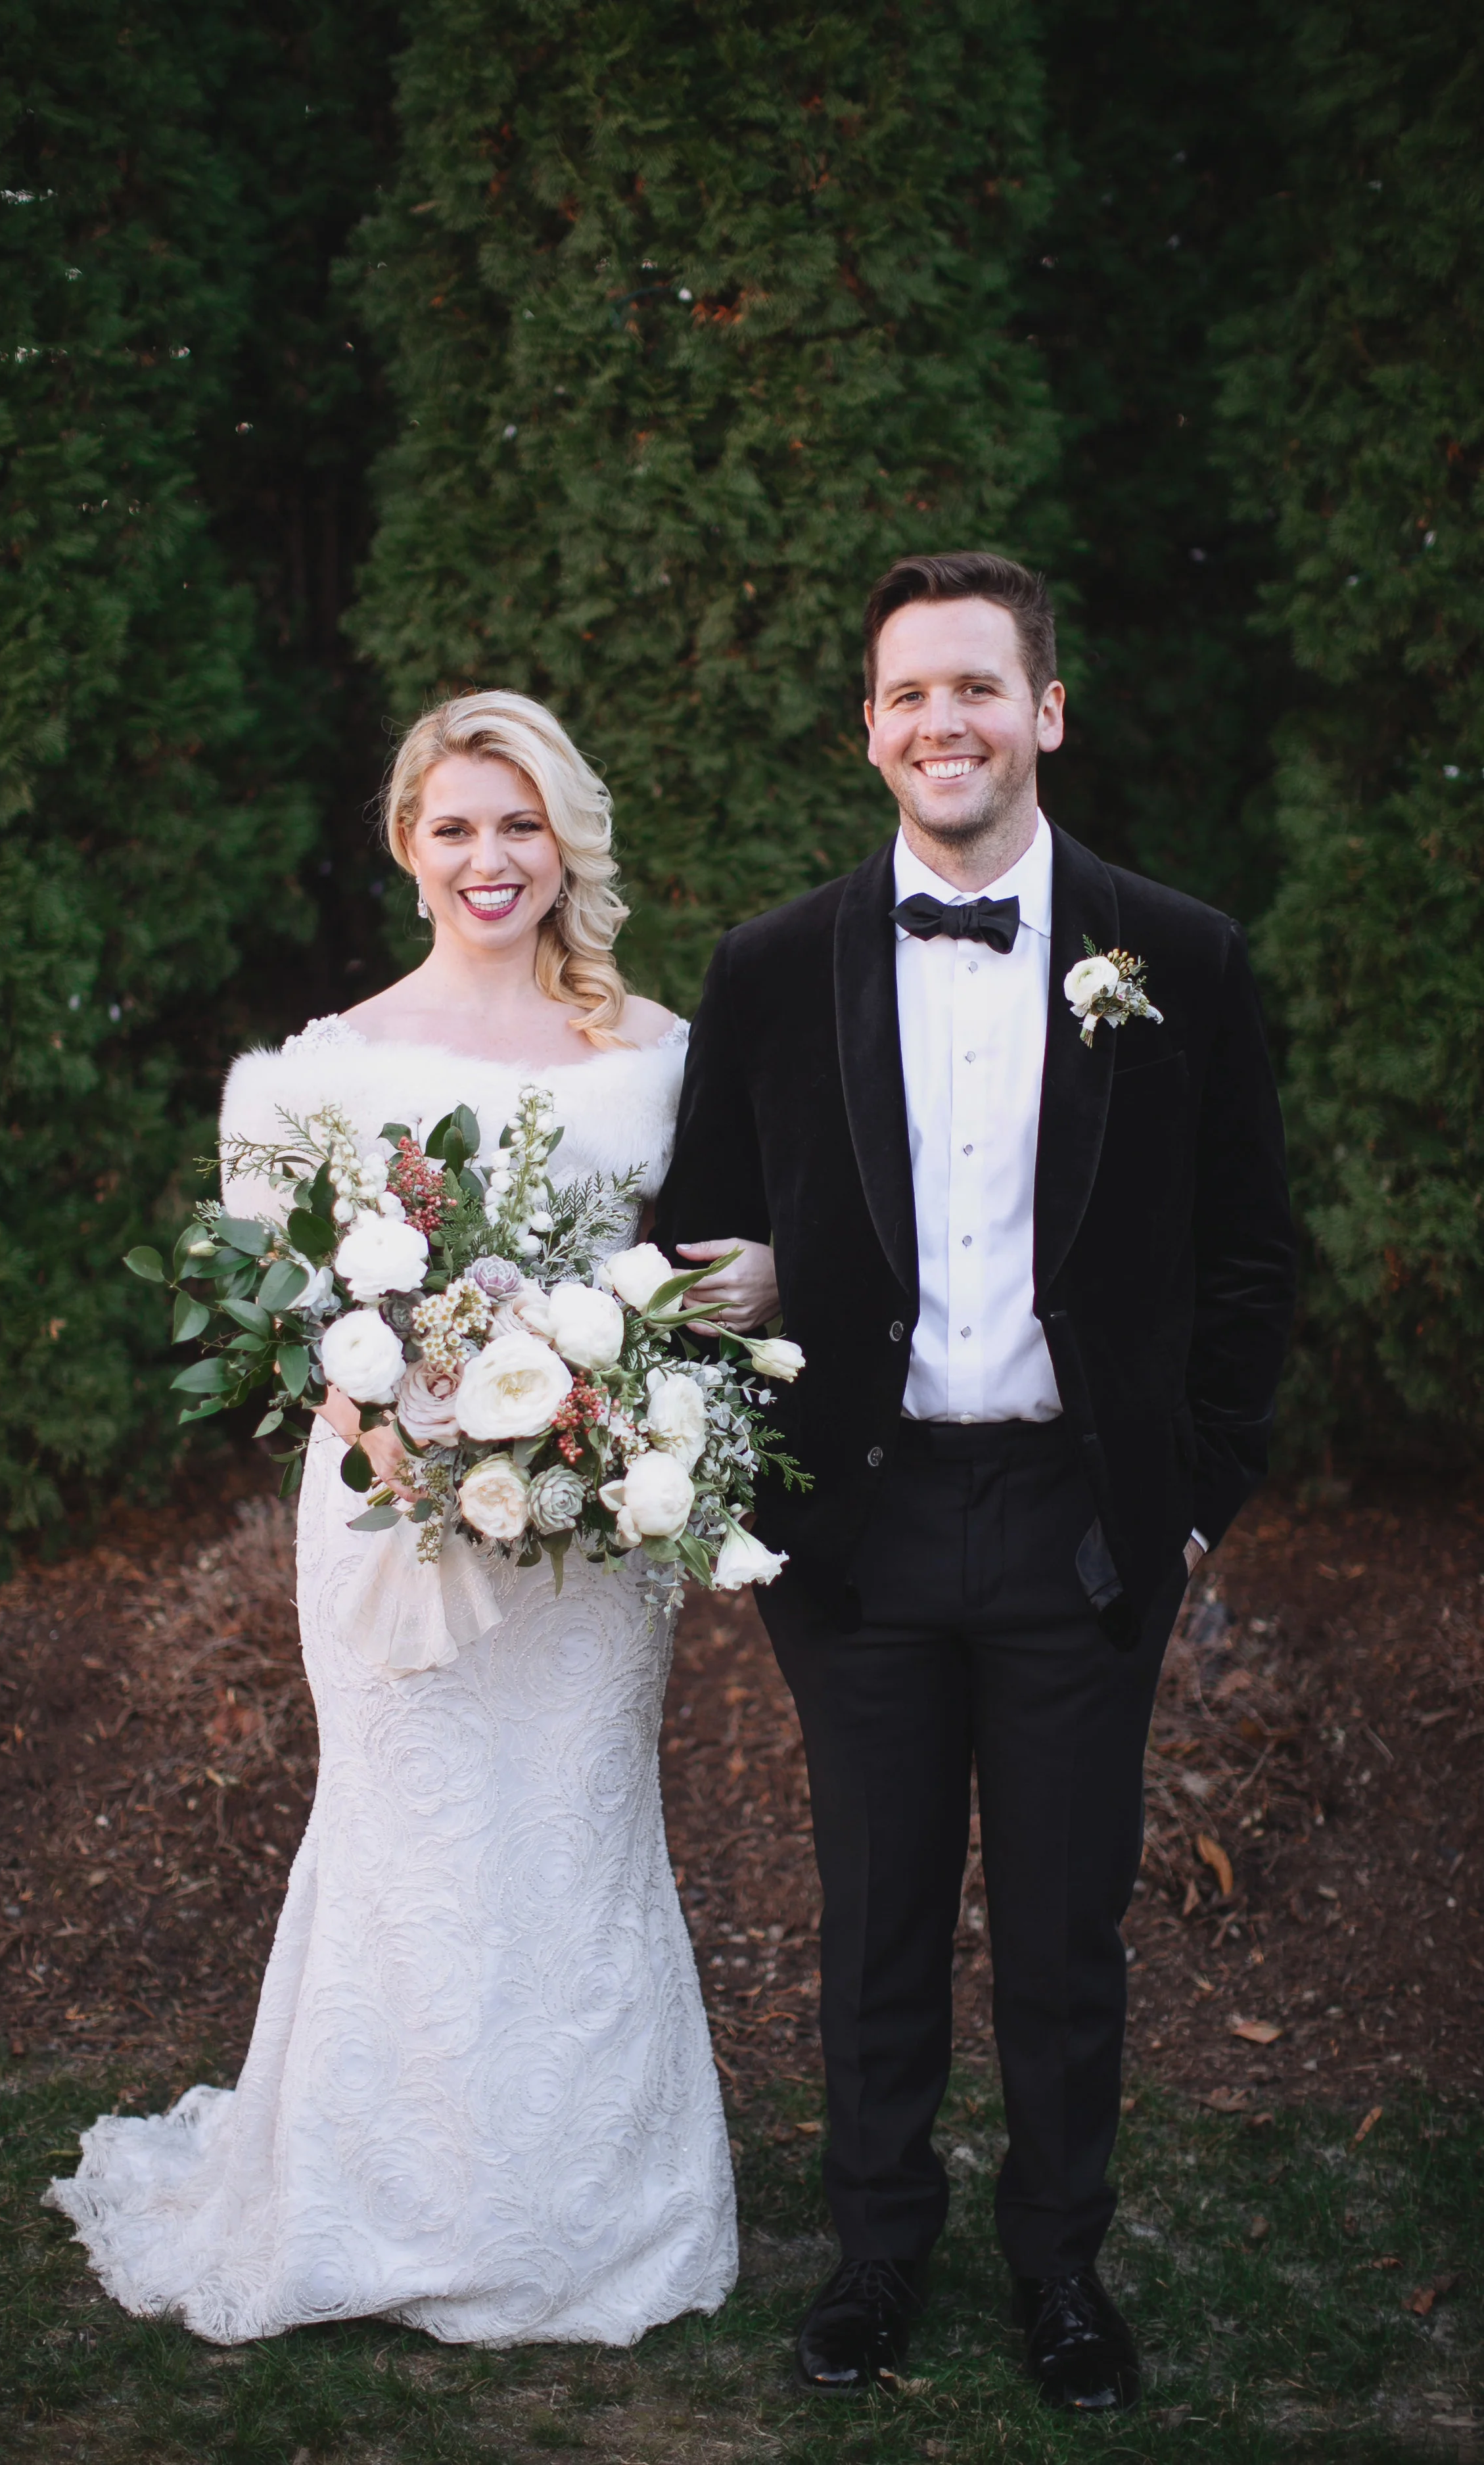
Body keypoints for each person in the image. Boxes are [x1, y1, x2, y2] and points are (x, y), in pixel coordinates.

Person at [653, 553, 1295, 2409]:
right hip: (855, 1525)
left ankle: (1059, 2264)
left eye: (974, 687)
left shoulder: (1175, 954)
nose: (941, 721)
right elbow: (695, 1237)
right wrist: (749, 1475)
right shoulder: (773, 968)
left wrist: (1187, 1500)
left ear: (1044, 712)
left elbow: (1249, 1255)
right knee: (870, 1911)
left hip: (1081, 1525)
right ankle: (872, 2251)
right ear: (868, 730)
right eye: (905, 694)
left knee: (1063, 1929)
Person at [45, 690, 756, 2347]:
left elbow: (700, 1262)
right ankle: (374, 2199)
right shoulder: (321, 1073)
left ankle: (586, 2223)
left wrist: (682, 1330)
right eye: (455, 826)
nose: (488, 857)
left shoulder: (656, 1057)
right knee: (412, 1841)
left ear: (564, 838)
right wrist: (396, 1434)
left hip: (591, 1528)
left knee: (571, 1840)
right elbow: (285, 1319)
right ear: (405, 845)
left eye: (519, 824)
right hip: (385, 1515)